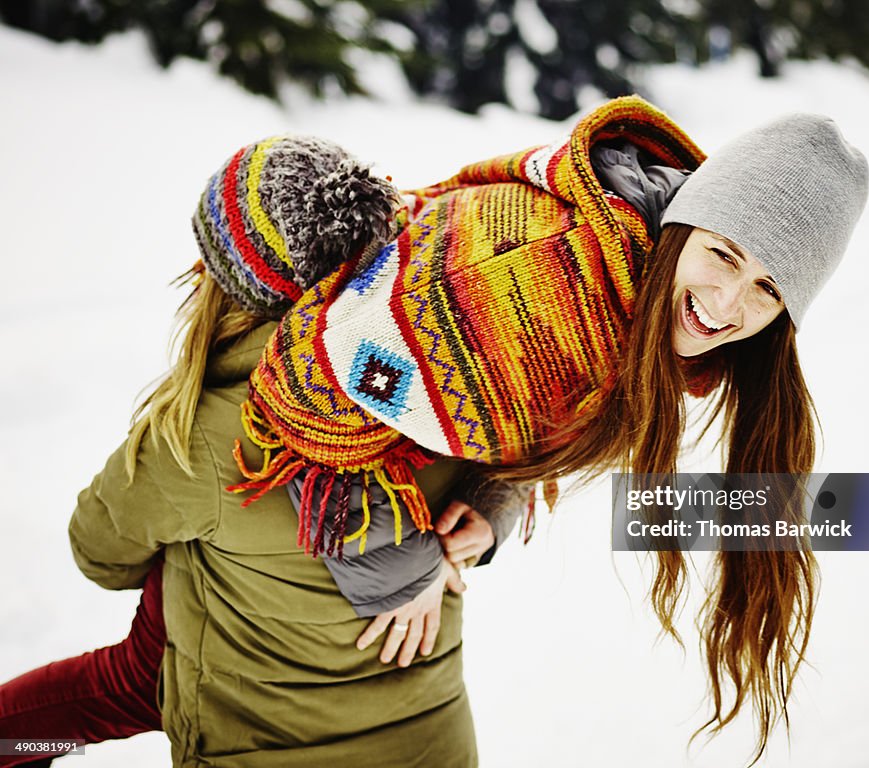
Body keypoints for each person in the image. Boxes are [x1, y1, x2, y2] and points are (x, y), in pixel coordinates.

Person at [5, 94, 869, 766]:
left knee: (97, 699)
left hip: (236, 698)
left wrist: (484, 501)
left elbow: (100, 548)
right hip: (422, 732)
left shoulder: (232, 423)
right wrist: (428, 544)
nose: (728, 305)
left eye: (769, 290)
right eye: (724, 255)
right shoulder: (472, 324)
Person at [0, 136, 528, 768]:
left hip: (244, 734)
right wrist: (493, 506)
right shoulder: (446, 377)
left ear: (221, 286)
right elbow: (530, 448)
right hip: (434, 749)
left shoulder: (199, 439)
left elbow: (98, 553)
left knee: (48, 716)